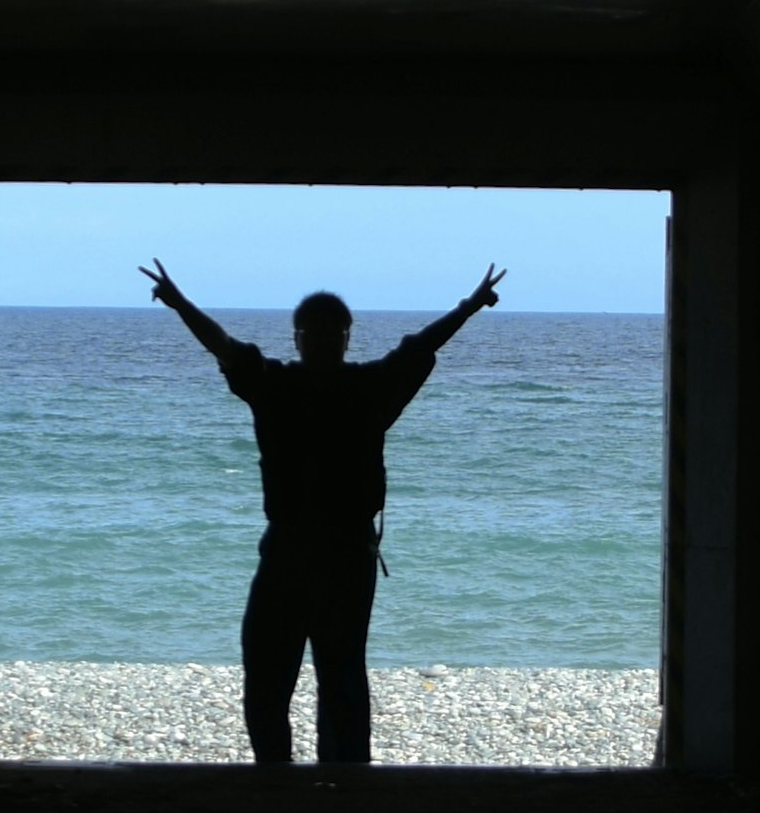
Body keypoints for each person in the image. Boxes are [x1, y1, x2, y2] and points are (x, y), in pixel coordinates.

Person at [141, 258, 504, 765]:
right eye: (318, 330)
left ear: (321, 337)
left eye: (324, 330)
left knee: (303, 678)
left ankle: (296, 780)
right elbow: (419, 347)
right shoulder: (363, 388)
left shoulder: (282, 385)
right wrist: (469, 306)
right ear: (334, 337)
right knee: (325, 678)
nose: (321, 338)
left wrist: (180, 303)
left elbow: (224, 347)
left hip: (310, 552)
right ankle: (326, 784)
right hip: (331, 553)